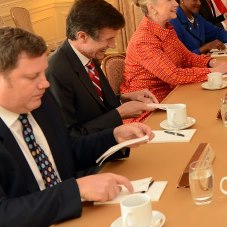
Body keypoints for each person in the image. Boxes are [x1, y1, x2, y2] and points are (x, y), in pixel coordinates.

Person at [0, 27, 153, 226]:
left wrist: (113, 136)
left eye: (43, 74)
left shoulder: (40, 102)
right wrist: (76, 190)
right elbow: (4, 213)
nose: (45, 84)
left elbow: (67, 150)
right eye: (32, 77)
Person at [46, 0, 158, 136]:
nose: (113, 46)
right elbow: (71, 135)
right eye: (108, 39)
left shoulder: (88, 55)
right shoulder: (56, 72)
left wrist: (124, 98)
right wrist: (120, 113)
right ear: (82, 36)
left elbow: (93, 104)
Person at [120, 0, 227, 105]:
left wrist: (212, 62)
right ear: (152, 7)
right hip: (151, 107)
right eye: (169, 0)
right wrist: (213, 72)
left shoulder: (167, 28)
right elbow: (173, 76)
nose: (176, 4)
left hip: (175, 95)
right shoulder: (143, 40)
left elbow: (187, 58)